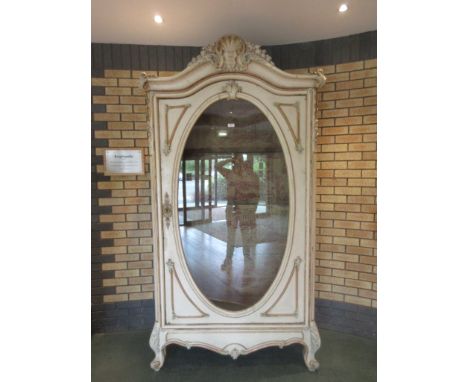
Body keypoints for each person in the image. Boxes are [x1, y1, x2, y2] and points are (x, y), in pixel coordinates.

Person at [216, 154, 260, 270]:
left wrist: (252, 209)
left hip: (245, 210)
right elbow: (217, 166)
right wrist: (229, 159)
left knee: (245, 234)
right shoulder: (230, 174)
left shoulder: (250, 176)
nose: (238, 165)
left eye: (240, 162)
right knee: (230, 236)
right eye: (236, 162)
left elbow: (256, 193)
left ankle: (247, 257)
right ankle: (228, 259)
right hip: (231, 210)